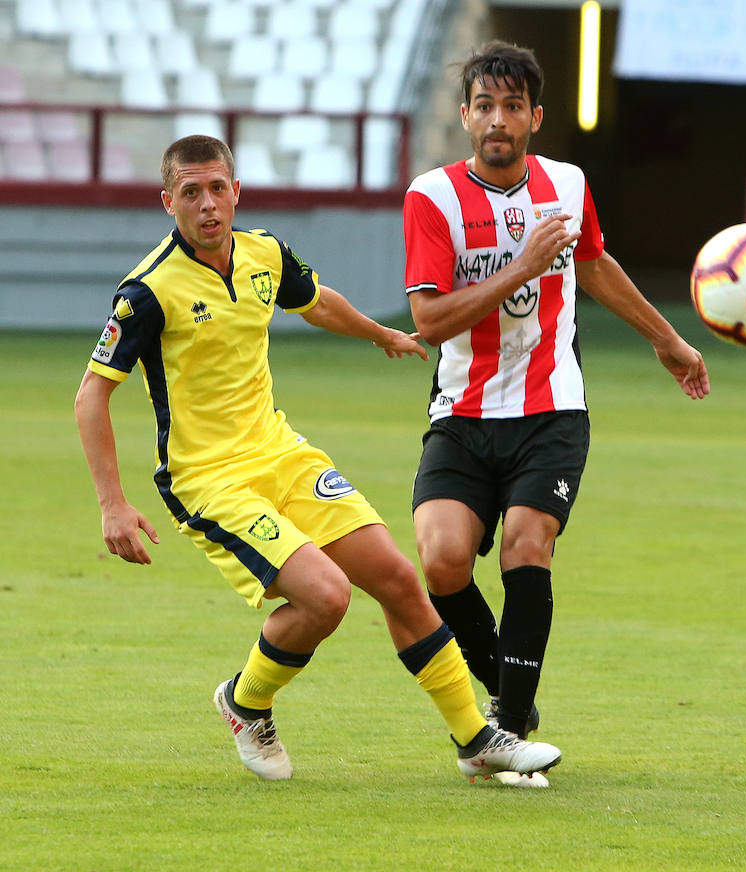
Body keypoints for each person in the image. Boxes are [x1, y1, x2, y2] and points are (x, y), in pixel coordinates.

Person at [74, 134, 562, 784]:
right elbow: (91, 395)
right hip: (209, 481)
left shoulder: (264, 253)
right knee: (326, 598)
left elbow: (316, 300)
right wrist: (112, 503)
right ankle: (246, 702)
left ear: (236, 191)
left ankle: (477, 740)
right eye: (191, 192)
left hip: (282, 454)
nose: (208, 204)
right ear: (169, 202)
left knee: (396, 578)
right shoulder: (147, 291)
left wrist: (381, 333)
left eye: (217, 188)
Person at [402, 42, 710, 780]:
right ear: (465, 115)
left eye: (512, 107)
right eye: (484, 106)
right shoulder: (432, 197)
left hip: (551, 410)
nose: (497, 120)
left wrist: (665, 339)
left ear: (535, 117)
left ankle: (507, 732)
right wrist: (524, 266)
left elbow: (594, 263)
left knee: (526, 544)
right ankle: (509, 692)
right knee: (441, 561)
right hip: (463, 412)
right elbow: (430, 321)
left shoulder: (567, 185)